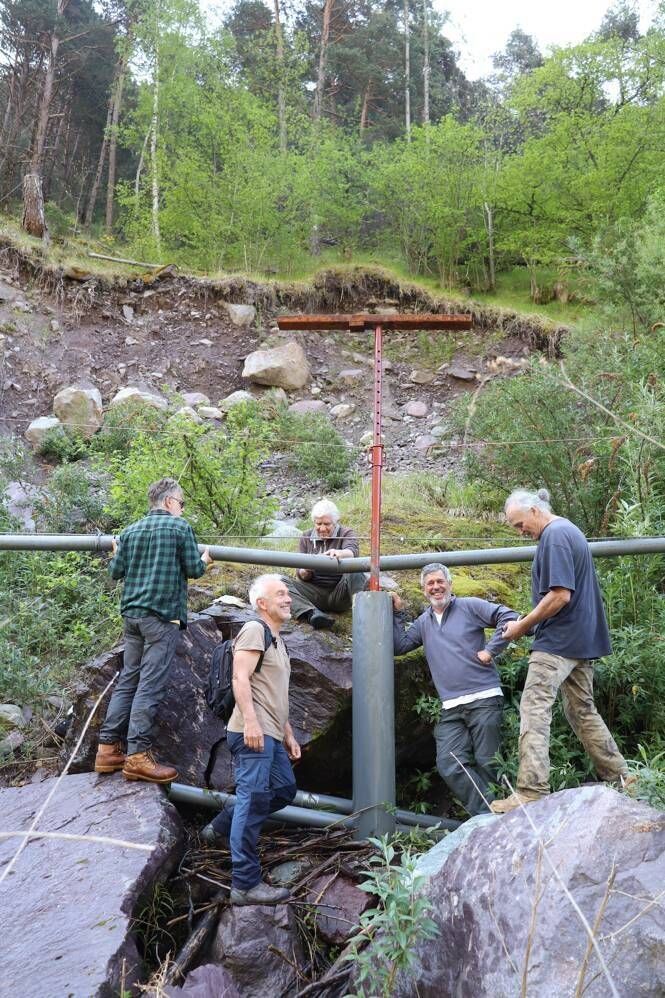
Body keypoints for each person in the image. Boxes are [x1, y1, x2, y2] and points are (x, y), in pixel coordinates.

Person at [490, 488, 633, 814]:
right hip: (582, 639)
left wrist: (521, 627)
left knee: (534, 708)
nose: (520, 531)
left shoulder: (553, 536)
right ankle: (621, 777)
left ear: (535, 511)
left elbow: (559, 596)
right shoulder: (569, 530)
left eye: (519, 524)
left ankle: (530, 790)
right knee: (581, 711)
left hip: (558, 641)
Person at [94, 477, 212, 783]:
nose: (182, 509)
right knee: (150, 685)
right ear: (170, 502)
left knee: (128, 680)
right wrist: (205, 559)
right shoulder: (179, 528)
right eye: (182, 503)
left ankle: (107, 750)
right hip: (161, 618)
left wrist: (117, 550)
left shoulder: (130, 531)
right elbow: (194, 569)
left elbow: (115, 571)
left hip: (132, 617)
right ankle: (136, 757)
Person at [201, 574, 300, 905]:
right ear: (262, 603)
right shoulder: (255, 630)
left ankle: (220, 826)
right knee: (254, 797)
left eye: (288, 593)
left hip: (271, 731)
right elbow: (239, 678)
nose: (288, 598)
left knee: (284, 790)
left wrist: (287, 734)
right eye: (280, 594)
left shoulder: (278, 640)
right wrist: (253, 723)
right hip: (250, 730)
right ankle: (244, 884)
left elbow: (274, 693)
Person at [392, 563, 519, 816]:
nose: (436, 587)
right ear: (423, 589)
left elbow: (510, 616)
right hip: (451, 706)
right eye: (430, 583)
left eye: (440, 582)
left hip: (484, 698)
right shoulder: (423, 622)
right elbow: (400, 645)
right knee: (450, 763)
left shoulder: (469, 606)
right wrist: (395, 614)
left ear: (449, 584)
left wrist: (491, 650)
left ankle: (502, 819)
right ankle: (488, 815)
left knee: (488, 762)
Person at [284, 499, 367, 630]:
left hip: (340, 593)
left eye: (327, 524)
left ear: (335, 522)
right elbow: (301, 575)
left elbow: (352, 552)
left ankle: (365, 617)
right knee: (278, 582)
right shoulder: (306, 537)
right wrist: (306, 569)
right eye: (318, 524)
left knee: (356, 571)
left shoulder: (346, 533)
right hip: (314, 593)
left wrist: (340, 553)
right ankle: (312, 613)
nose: (322, 528)